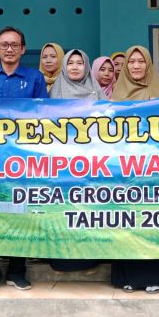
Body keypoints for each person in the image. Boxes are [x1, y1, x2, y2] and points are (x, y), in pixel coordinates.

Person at [0, 26, 49, 295]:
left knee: (20, 215)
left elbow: (46, 115)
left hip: (23, 159)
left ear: (23, 49)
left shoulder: (35, 78)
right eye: (4, 44)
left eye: (15, 44)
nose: (9, 49)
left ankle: (17, 271)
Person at [110, 45, 159, 293]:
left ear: (148, 65)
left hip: (154, 166)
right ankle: (127, 276)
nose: (136, 66)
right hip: (125, 167)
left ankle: (154, 276)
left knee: (153, 219)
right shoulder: (117, 94)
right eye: (132, 62)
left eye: (141, 62)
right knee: (126, 219)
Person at [49, 49, 105, 273]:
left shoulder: (96, 91)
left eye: (79, 63)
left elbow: (110, 124)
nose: (74, 67)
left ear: (86, 66)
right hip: (62, 165)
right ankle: (61, 261)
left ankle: (89, 260)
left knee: (88, 211)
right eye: (70, 63)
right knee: (63, 211)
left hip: (92, 163)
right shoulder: (55, 92)